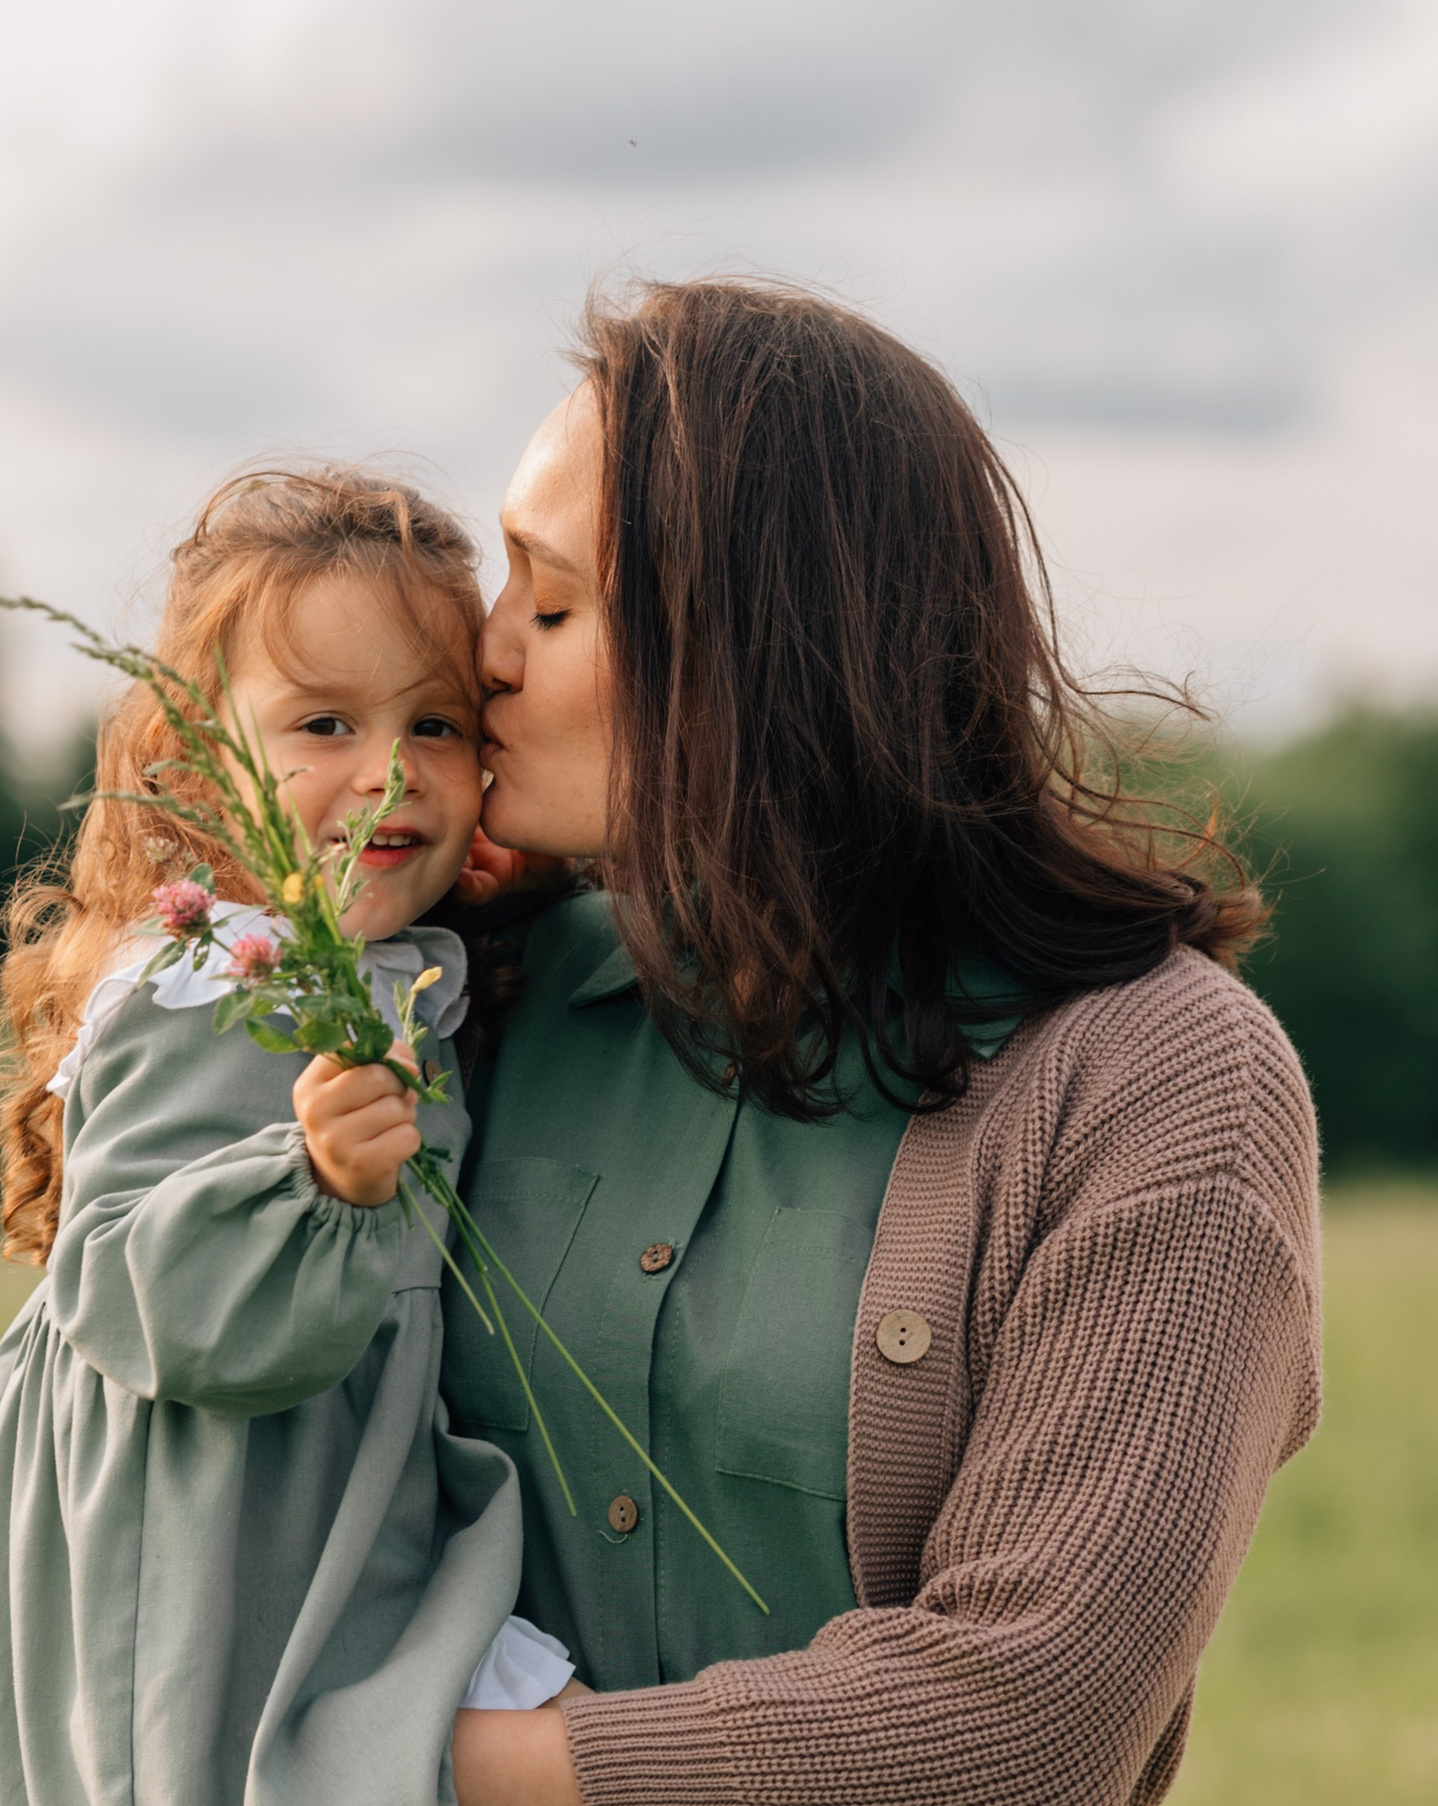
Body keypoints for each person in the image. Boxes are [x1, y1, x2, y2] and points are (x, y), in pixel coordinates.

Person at [442, 280, 1324, 1806]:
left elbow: (1017, 1724)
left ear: (749, 646)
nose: (486, 654)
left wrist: (399, 1765)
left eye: (554, 600)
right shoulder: (475, 1005)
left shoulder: (1163, 1083)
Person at [0, 467, 574, 1806]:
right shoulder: (209, 980)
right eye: (326, 722)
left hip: (334, 1515)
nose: (389, 772)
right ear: (194, 761)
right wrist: (318, 1182)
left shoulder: (396, 967)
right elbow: (125, 1280)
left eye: (439, 722)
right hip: (211, 1539)